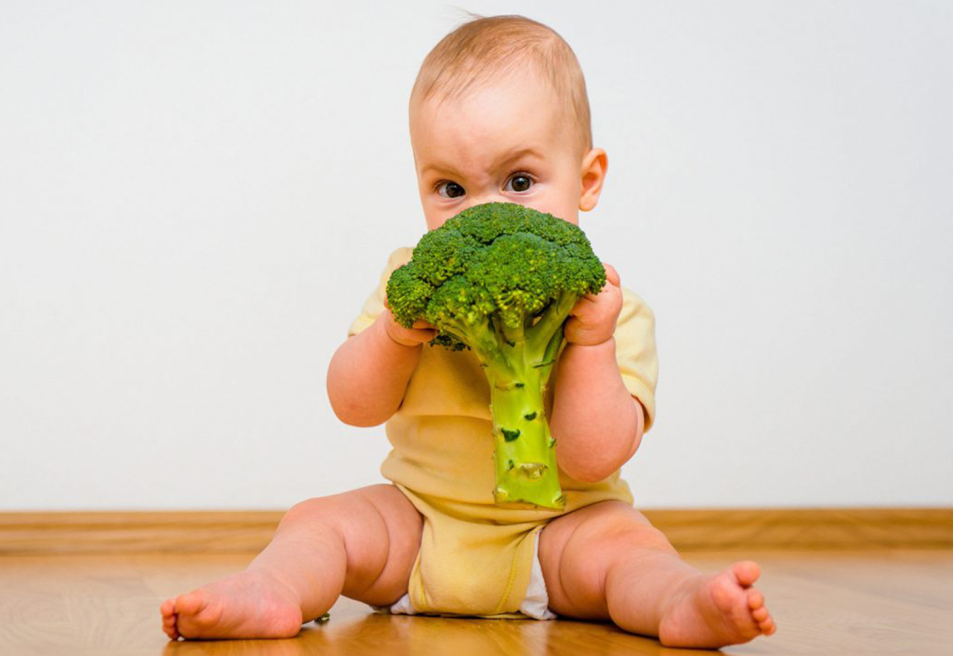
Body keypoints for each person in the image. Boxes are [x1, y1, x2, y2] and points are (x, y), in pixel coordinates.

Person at [161, 13, 775, 648]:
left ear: (587, 179)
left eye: (518, 182)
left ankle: (681, 602)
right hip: (420, 525)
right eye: (450, 188)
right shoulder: (411, 286)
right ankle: (273, 591)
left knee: (629, 548)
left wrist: (590, 344)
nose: (483, 214)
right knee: (320, 522)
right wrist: (394, 336)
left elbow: (597, 457)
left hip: (560, 532)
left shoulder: (612, 309)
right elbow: (352, 404)